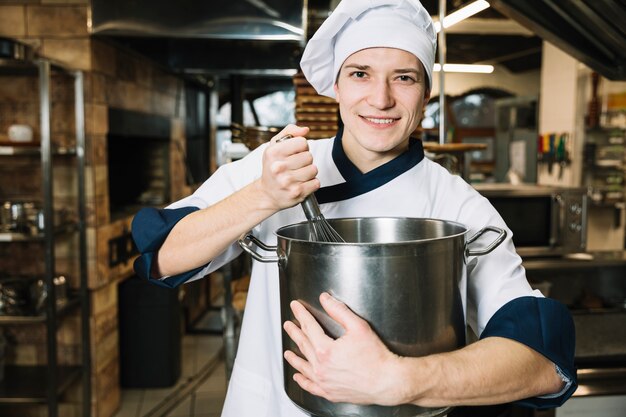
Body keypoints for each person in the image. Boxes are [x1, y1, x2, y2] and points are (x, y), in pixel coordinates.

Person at [131, 0, 577, 415]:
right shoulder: (278, 168)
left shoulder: (458, 207)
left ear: (425, 95)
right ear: (336, 88)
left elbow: (543, 364)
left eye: (404, 77)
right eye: (360, 74)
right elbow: (162, 258)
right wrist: (262, 197)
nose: (380, 99)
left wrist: (401, 380)